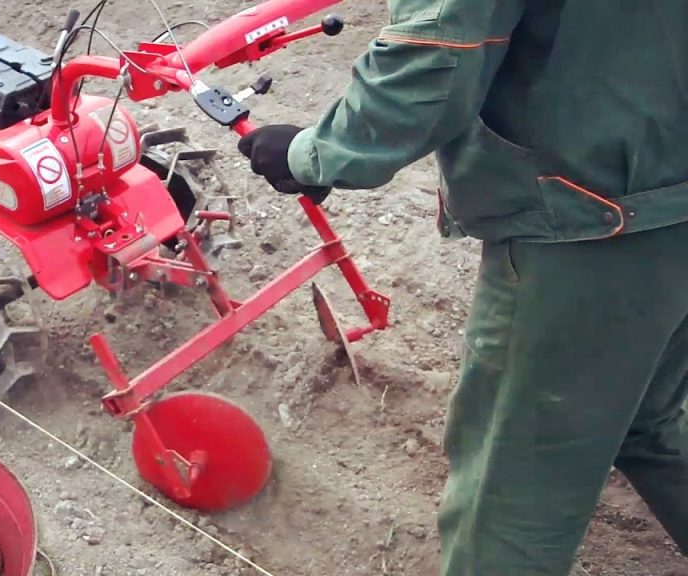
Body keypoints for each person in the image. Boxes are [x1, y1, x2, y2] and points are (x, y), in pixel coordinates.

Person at [237, 2, 688, 575]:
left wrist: (311, 155)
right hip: (670, 194)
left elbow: (439, 51)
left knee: (512, 493)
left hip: (590, 223)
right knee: (648, 419)